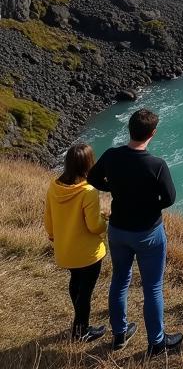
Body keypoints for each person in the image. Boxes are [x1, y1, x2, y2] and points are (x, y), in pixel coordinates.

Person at [88, 108, 183, 356]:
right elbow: (170, 198)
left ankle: (119, 334)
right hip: (148, 233)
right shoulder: (156, 165)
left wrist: (114, 189)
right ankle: (157, 342)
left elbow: (93, 178)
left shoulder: (111, 156)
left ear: (129, 129)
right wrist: (149, 204)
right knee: (152, 286)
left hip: (119, 230)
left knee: (120, 280)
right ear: (153, 133)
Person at [44, 142, 108, 341]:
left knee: (76, 283)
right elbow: (93, 226)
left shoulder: (54, 187)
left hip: (66, 250)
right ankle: (81, 331)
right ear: (89, 164)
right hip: (87, 253)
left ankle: (81, 324)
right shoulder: (88, 191)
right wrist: (104, 220)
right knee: (85, 292)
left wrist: (54, 236)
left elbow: (49, 219)